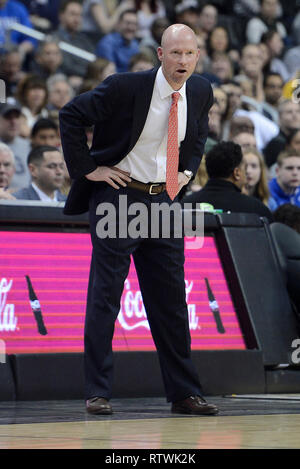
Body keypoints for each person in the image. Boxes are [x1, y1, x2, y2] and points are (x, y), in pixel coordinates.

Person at [59, 23, 218, 416]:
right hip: (119, 196)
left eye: (189, 54)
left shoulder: (201, 91)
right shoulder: (124, 87)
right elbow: (70, 115)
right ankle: (98, 391)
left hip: (163, 201)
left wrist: (185, 174)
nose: (183, 61)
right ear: (161, 55)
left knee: (171, 303)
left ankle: (184, 393)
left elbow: (197, 136)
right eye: (175, 53)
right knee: (106, 296)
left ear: (198, 56)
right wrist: (88, 170)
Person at [182, 141, 273, 222]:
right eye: (245, 168)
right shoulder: (257, 211)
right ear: (237, 173)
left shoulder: (184, 206)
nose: (247, 173)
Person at [0, 103, 31, 191]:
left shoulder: (29, 146)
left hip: (26, 201)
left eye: (16, 117)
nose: (13, 122)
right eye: (8, 117)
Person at [263, 100, 300, 167]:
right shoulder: (276, 144)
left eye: (298, 111)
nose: (295, 115)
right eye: (289, 112)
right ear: (279, 117)